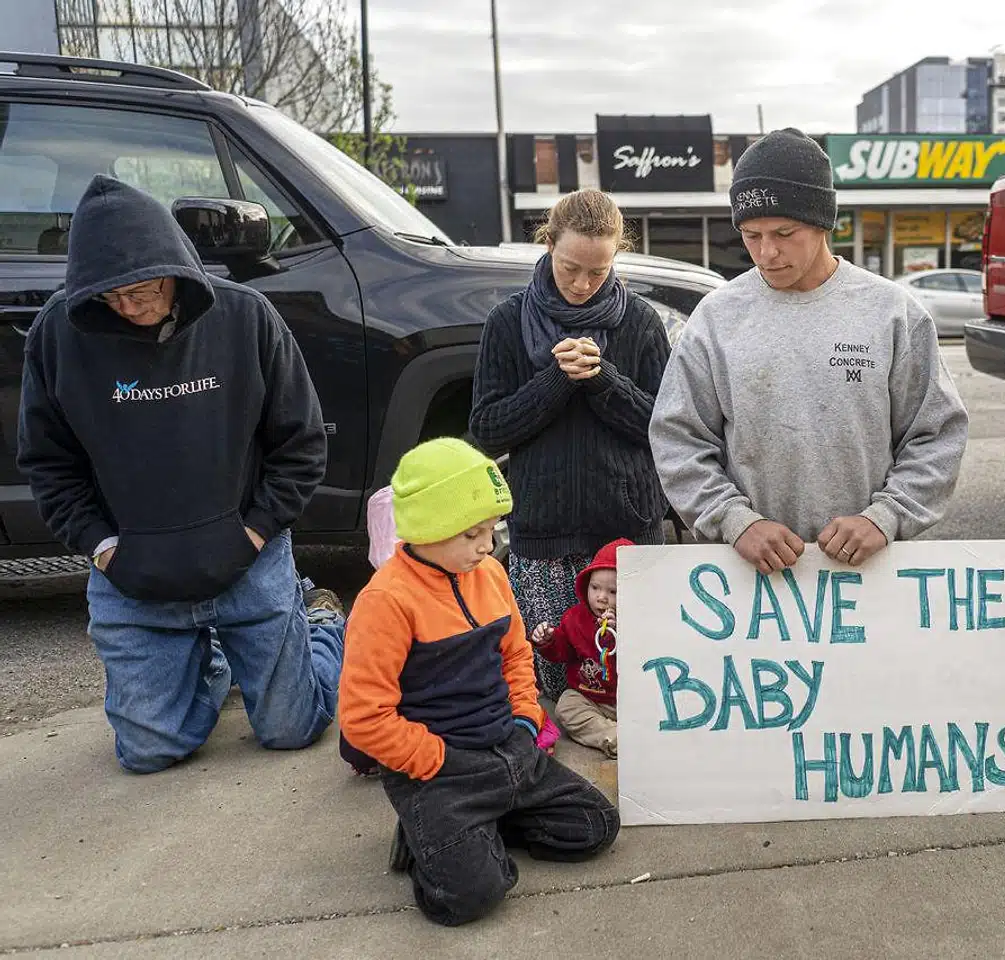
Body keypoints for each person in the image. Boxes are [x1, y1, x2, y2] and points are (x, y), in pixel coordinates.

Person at [16, 175, 345, 775]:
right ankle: (210, 658)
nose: (130, 307)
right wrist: (104, 549)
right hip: (135, 574)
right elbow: (48, 465)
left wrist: (254, 531)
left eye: (142, 291)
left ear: (175, 269)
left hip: (247, 556)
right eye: (111, 298)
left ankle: (320, 621)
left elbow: (300, 443)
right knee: (149, 752)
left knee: (291, 730)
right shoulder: (57, 336)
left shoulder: (246, 317)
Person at [649, 128, 969, 572]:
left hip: (873, 576)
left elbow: (937, 433)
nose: (766, 253)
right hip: (750, 582)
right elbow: (677, 438)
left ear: (822, 222)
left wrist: (886, 515)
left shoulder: (892, 313)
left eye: (784, 232)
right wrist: (734, 520)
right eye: (750, 235)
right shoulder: (717, 318)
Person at [338, 438, 618, 927]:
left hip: (508, 747)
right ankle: (433, 832)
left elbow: (514, 654)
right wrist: (433, 760)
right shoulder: (384, 601)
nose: (487, 545)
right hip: (440, 768)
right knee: (468, 897)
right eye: (471, 533)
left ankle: (474, 827)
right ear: (427, 527)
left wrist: (527, 720)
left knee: (596, 826)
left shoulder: (489, 573)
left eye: (491, 530)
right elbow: (363, 719)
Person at [469, 189, 670, 703]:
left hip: (625, 535)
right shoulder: (507, 323)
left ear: (616, 257)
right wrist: (554, 381)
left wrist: (603, 379)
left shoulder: (641, 323)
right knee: (554, 691)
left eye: (598, 272)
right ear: (548, 244)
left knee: (636, 689)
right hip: (543, 540)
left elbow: (666, 427)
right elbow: (489, 429)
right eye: (569, 267)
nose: (582, 283)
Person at [529, 538, 629, 759]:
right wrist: (548, 640)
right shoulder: (575, 618)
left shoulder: (639, 618)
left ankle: (630, 735)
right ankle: (616, 738)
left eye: (613, 591)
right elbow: (562, 652)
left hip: (629, 699)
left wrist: (623, 631)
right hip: (589, 697)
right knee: (566, 707)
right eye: (595, 587)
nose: (601, 597)